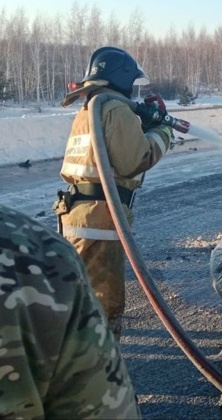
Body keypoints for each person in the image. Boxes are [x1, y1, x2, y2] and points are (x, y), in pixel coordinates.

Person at [0, 197, 140, 419]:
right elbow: (129, 163)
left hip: (81, 212)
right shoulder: (22, 247)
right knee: (105, 302)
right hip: (99, 216)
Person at [54, 46, 173, 339]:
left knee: (79, 302)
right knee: (104, 306)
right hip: (101, 220)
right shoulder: (115, 108)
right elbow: (135, 160)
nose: (133, 90)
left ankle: (74, 366)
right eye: (132, 83)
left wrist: (140, 123)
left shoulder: (90, 107)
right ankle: (100, 373)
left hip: (77, 215)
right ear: (120, 78)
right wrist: (162, 132)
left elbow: (107, 150)